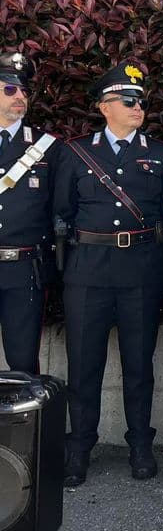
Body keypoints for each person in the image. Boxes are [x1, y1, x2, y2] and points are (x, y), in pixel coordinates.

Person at [54, 61, 163, 486]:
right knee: (83, 365)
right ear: (104, 107)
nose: (137, 106)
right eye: (128, 100)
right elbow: (62, 212)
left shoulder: (162, 155)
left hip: (141, 272)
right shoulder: (75, 153)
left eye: (141, 100)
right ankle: (79, 447)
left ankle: (140, 444)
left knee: (139, 365)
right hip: (87, 272)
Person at [0, 52, 60, 373]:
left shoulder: (46, 147)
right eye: (10, 90)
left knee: (23, 365)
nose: (20, 97)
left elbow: (60, 209)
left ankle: (24, 426)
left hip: (23, 270)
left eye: (23, 90)